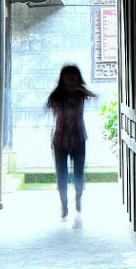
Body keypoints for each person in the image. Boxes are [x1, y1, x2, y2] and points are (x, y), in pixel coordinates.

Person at [44, 65, 96, 219]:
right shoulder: (56, 95)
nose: (70, 81)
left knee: (79, 174)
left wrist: (79, 88)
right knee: (62, 175)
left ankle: (78, 197)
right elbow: (48, 108)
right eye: (68, 78)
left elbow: (94, 95)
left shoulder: (81, 94)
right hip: (60, 140)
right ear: (63, 79)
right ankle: (64, 204)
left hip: (78, 139)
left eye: (73, 78)